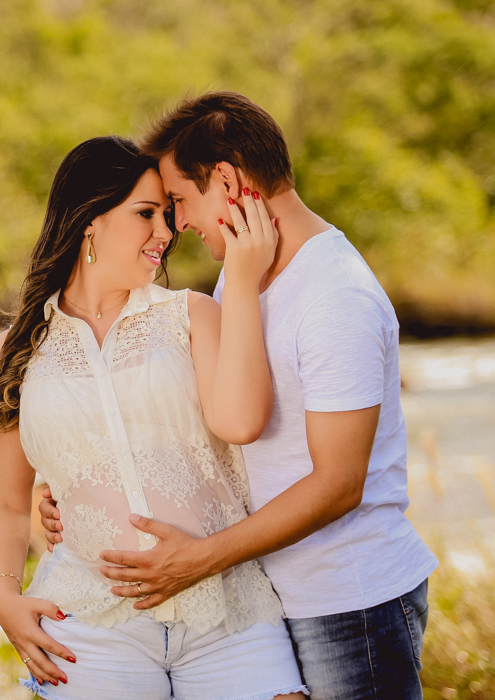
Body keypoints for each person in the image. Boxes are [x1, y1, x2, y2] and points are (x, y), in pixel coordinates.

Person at [39, 92, 439, 700]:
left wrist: (201, 559)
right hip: (272, 595)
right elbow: (205, 414)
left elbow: (339, 484)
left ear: (227, 180)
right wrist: (77, 483)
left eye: (179, 200)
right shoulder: (245, 269)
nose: (176, 225)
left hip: (347, 600)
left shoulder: (334, 297)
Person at [0, 135, 308, 700]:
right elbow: (7, 500)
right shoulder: (13, 354)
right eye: (146, 214)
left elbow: (242, 422)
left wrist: (246, 282)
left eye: (169, 213)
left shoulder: (193, 317)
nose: (167, 231)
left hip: (225, 609)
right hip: (91, 621)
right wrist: (3, 596)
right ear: (90, 220)